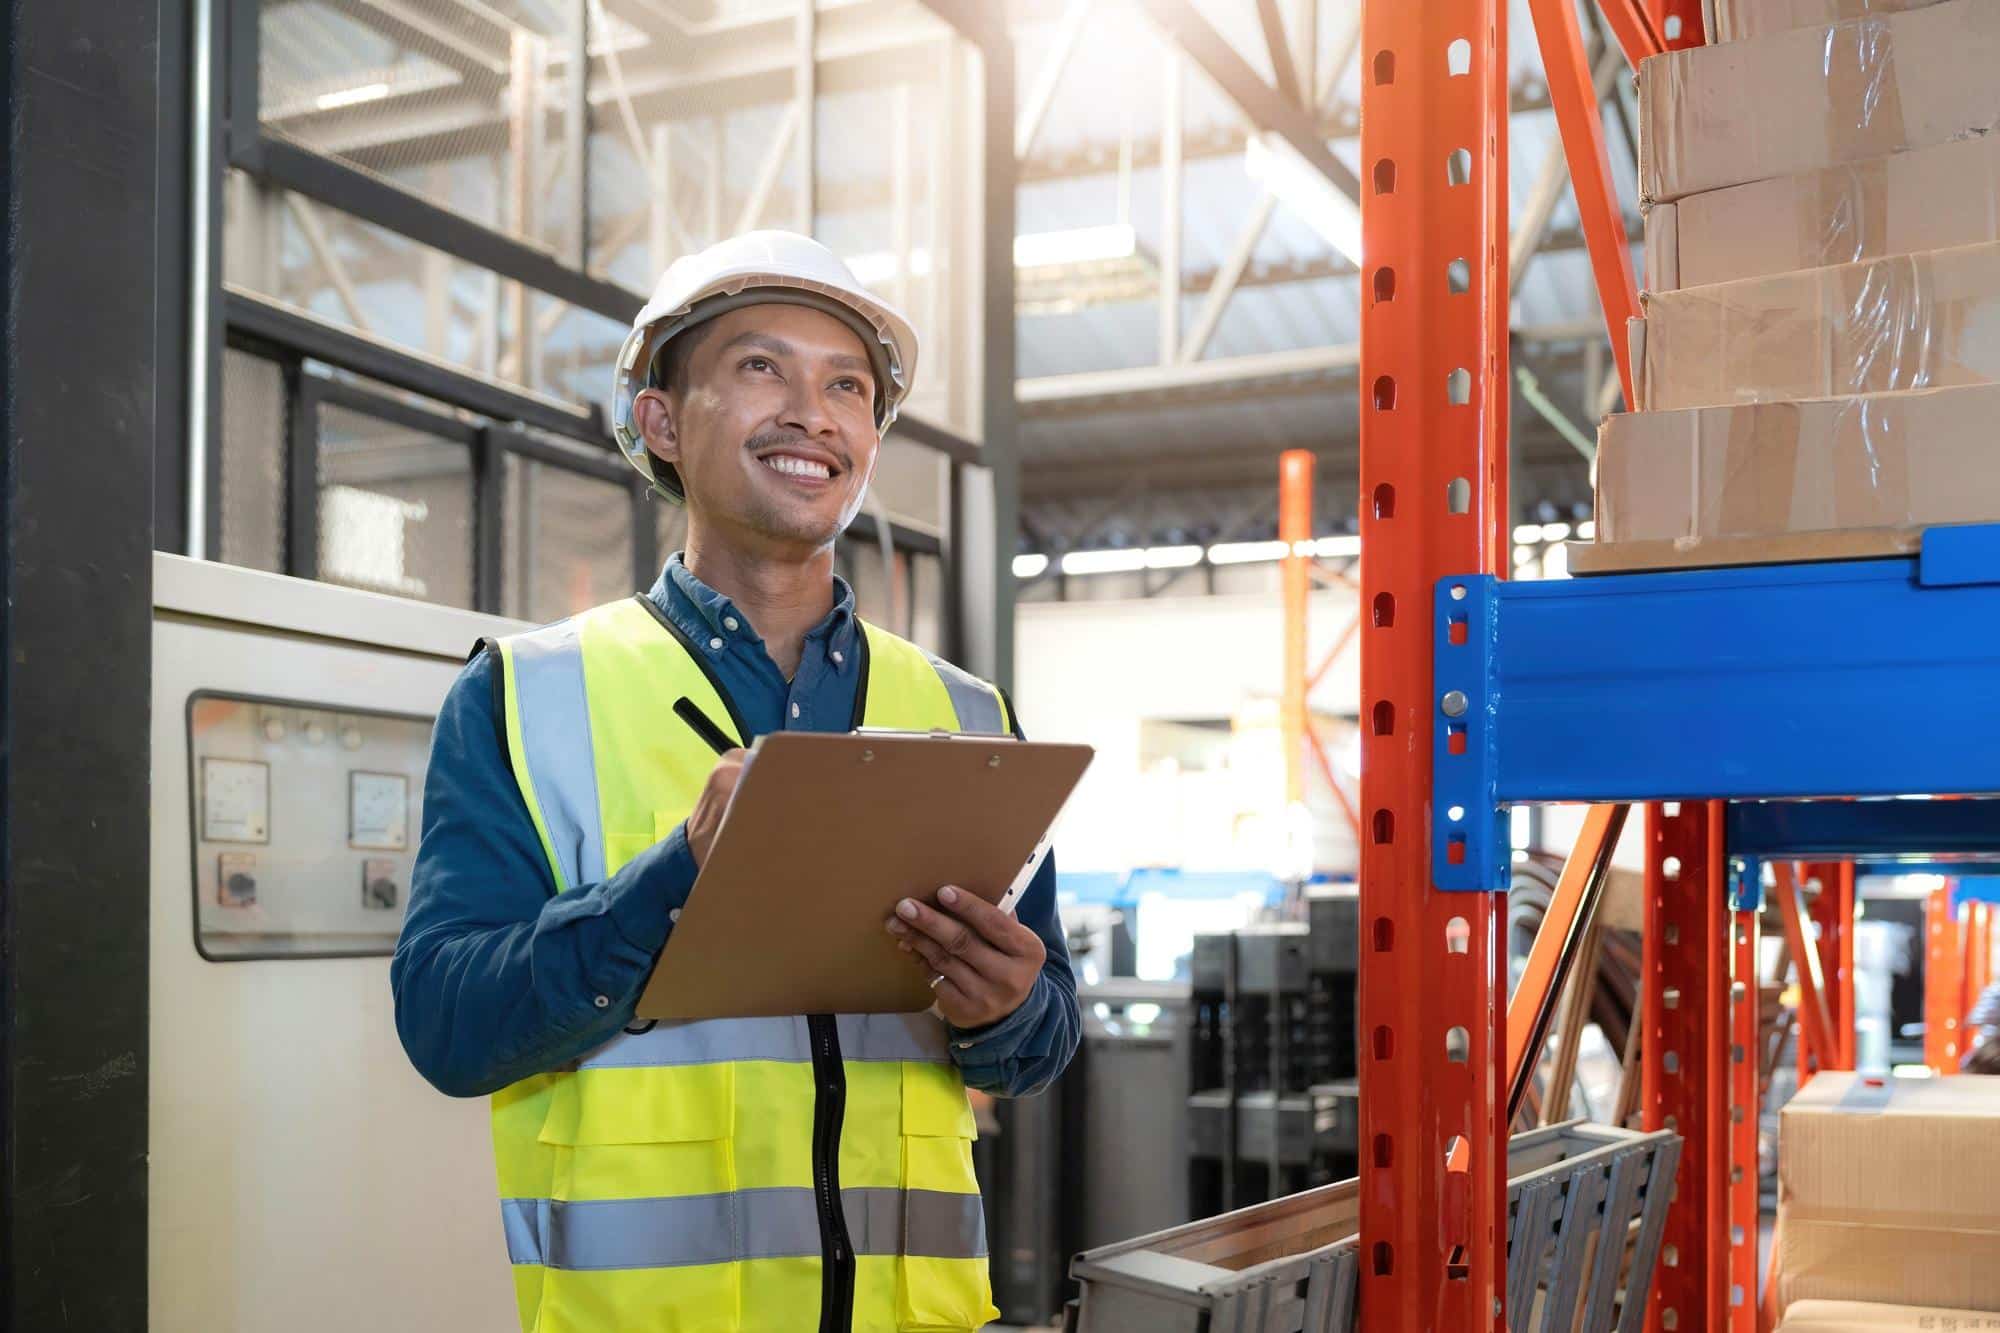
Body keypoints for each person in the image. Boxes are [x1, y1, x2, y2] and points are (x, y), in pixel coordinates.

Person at [391, 231, 1080, 1333]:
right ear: (662, 420)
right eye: (763, 368)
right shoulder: (526, 697)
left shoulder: (966, 716)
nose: (813, 412)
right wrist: (675, 879)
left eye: (846, 385)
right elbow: (448, 1026)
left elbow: (1043, 1035)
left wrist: (1007, 1008)